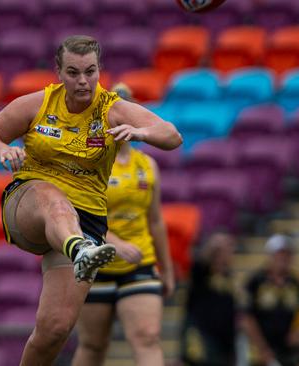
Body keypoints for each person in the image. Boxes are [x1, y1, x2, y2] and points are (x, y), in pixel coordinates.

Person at [0, 35, 182, 365]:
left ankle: (79, 247)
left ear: (100, 71)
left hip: (85, 222)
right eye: (72, 72)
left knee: (54, 329)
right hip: (30, 202)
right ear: (58, 72)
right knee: (54, 200)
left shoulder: (113, 109)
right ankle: (79, 248)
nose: (82, 81)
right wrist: (3, 149)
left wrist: (142, 133)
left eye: (90, 71)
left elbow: (172, 135)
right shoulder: (37, 104)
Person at [70, 84, 176, 366]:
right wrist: (115, 244)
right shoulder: (91, 163)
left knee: (147, 337)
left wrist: (166, 268)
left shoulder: (147, 165)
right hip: (97, 265)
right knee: (93, 345)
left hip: (140, 262)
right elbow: (79, 218)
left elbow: (155, 220)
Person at [241, 234, 299, 366]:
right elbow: (246, 317)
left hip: (292, 353)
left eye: (287, 254)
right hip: (262, 353)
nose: (283, 258)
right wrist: (262, 349)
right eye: (279, 253)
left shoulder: (297, 280)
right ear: (270, 255)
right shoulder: (256, 281)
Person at [180, 230, 237, 366]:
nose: (227, 254)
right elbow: (200, 260)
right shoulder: (202, 271)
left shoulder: (228, 276)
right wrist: (213, 244)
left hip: (223, 339)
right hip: (201, 334)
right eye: (223, 251)